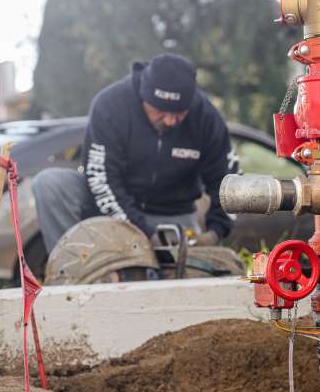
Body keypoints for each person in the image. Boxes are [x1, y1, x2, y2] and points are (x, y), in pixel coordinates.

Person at [33, 53, 236, 253]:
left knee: (186, 274)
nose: (169, 121)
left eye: (179, 114)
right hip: (112, 209)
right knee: (50, 183)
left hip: (173, 213)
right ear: (143, 97)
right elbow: (102, 179)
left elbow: (228, 180)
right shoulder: (111, 106)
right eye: (160, 112)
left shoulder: (206, 117)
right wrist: (144, 233)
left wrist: (216, 231)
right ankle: (73, 271)